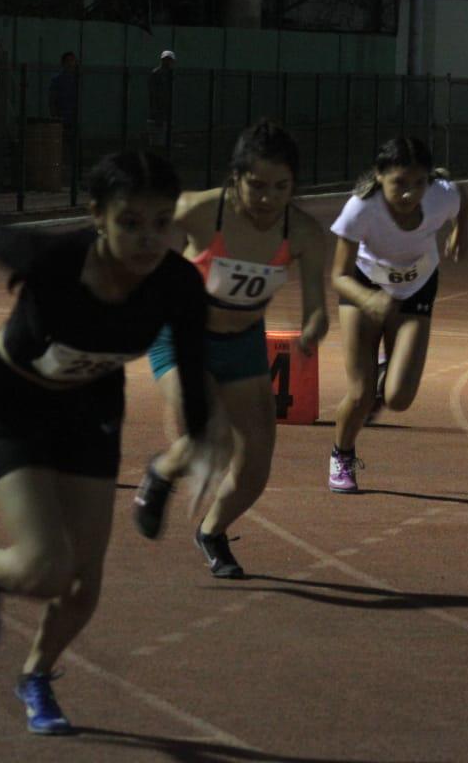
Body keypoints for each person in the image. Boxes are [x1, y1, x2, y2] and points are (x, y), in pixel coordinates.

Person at [0, 151, 229, 735]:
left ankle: (36, 678)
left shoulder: (178, 284)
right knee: (47, 569)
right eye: (130, 222)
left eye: (161, 223)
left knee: (83, 584)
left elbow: (194, 364)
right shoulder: (56, 262)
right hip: (12, 403)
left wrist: (199, 443)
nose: (147, 239)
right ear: (97, 215)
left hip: (89, 409)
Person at [136, 119, 328, 579]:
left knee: (256, 465)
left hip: (241, 344)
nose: (268, 198)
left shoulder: (303, 234)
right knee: (212, 436)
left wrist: (313, 328)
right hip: (183, 337)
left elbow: (318, 307)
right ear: (234, 178)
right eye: (257, 185)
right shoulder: (200, 212)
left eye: (281, 187)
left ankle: (212, 531)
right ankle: (160, 472)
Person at [326, 136, 468, 493]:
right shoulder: (360, 209)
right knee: (359, 395)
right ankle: (341, 455)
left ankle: (387, 370)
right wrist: (368, 300)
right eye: (399, 184)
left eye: (418, 183)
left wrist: (459, 230)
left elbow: (461, 197)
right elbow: (338, 276)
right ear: (380, 176)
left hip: (416, 287)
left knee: (399, 398)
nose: (409, 194)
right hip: (364, 287)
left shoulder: (440, 196)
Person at [148, 49, 175, 129]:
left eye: (170, 60)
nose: (168, 62)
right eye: (166, 60)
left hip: (166, 108)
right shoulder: (156, 73)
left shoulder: (171, 74)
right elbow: (153, 93)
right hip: (157, 109)